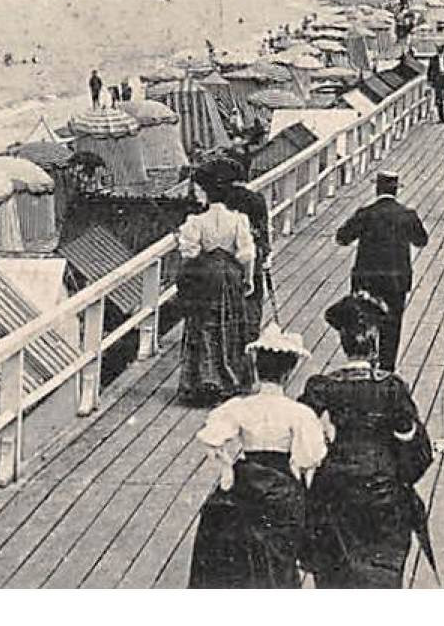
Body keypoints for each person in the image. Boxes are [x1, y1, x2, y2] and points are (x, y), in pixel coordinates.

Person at [301, 292, 437, 588]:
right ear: (374, 340)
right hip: (382, 493)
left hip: (334, 490)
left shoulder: (323, 387)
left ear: (343, 342)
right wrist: (403, 474)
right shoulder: (391, 389)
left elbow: (297, 427)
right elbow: (415, 447)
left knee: (335, 576)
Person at [189, 325, 326, 588]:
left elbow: (212, 438)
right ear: (288, 372)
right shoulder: (297, 413)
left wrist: (228, 468)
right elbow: (311, 456)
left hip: (246, 481)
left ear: (256, 368)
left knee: (240, 554)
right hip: (282, 486)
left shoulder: (241, 407)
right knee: (278, 557)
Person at [175, 164, 259, 405]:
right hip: (231, 276)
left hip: (205, 276)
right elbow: (246, 253)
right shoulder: (238, 219)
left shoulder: (196, 221)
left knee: (203, 325)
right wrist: (249, 279)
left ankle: (204, 379)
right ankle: (233, 378)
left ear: (206, 193)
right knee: (231, 324)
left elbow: (189, 253)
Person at [335, 172, 429, 373]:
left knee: (364, 321)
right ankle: (387, 369)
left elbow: (342, 238)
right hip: (396, 280)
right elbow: (421, 240)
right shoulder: (407, 215)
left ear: (377, 189)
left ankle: (365, 362)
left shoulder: (366, 213)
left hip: (366, 280)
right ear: (396, 189)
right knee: (392, 324)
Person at [210, 157, 273, 325]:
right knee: (253, 299)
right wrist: (266, 254)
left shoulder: (221, 201)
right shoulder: (257, 199)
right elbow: (263, 230)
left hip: (227, 257)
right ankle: (251, 332)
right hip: (253, 255)